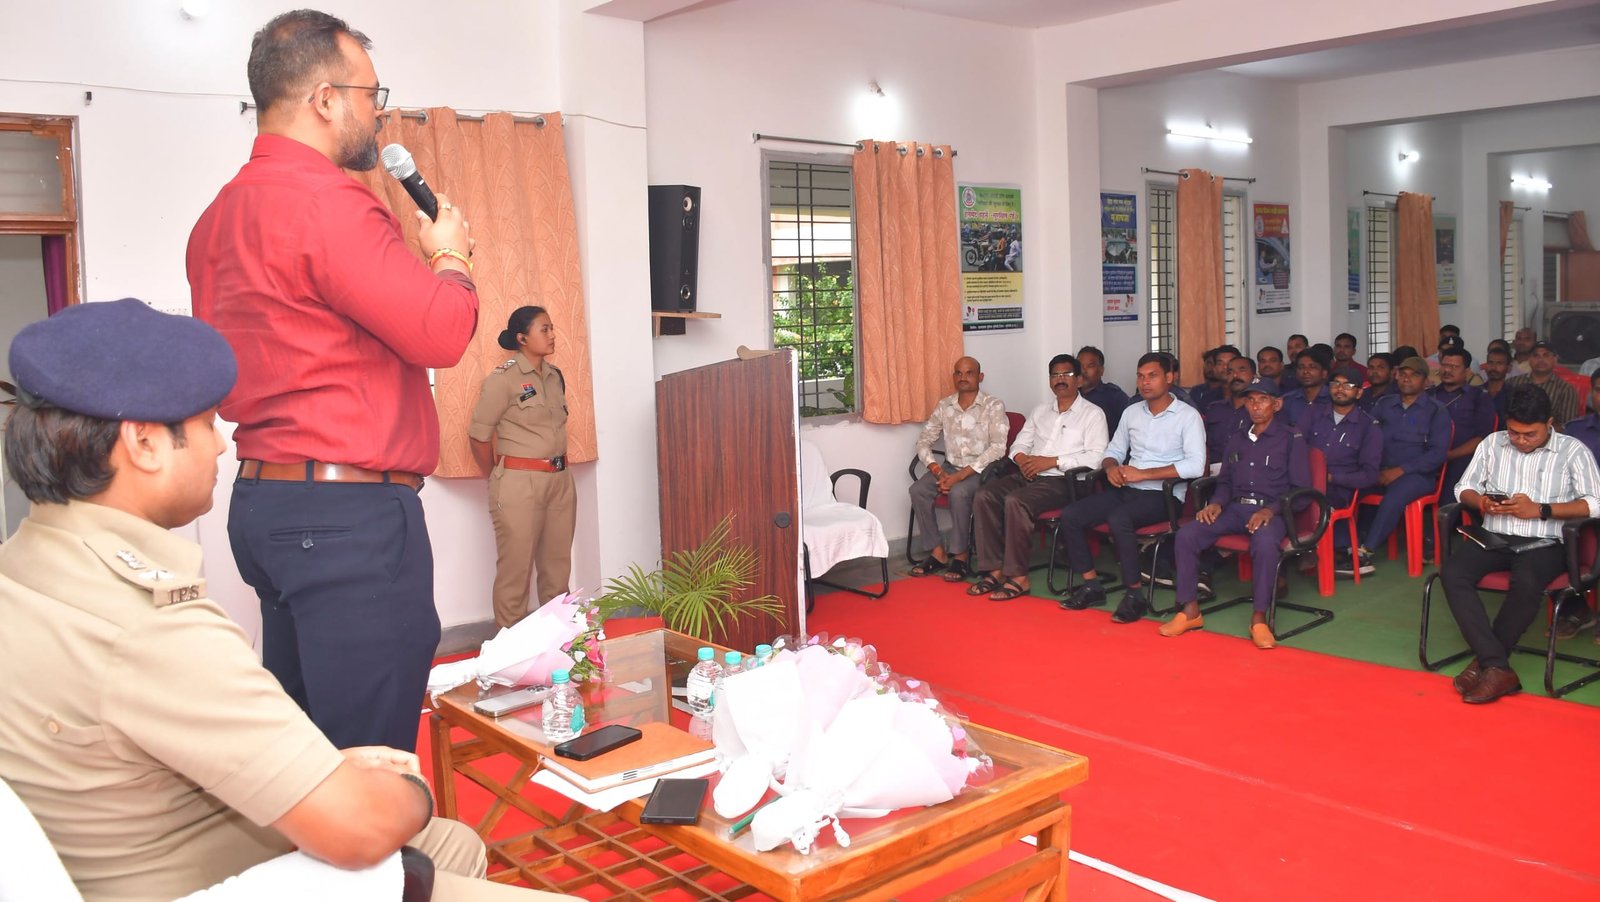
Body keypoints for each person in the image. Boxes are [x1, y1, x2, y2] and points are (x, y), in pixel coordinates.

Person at [0, 300, 568, 902]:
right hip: (213, 878)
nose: (222, 447)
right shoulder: (153, 626)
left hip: (133, 840)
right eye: (205, 425)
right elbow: (362, 829)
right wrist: (412, 787)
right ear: (143, 443)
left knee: (453, 843)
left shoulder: (24, 571)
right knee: (423, 826)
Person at [187, 10, 479, 752]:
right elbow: (442, 333)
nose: (378, 112)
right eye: (371, 94)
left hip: (265, 502)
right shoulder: (330, 203)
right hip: (347, 518)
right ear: (324, 99)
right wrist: (449, 256)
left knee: (305, 751)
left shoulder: (217, 218)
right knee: (370, 762)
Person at [1442, 385, 1600, 703]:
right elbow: (1464, 488)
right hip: (1495, 536)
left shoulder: (1573, 450)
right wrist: (1482, 502)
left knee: (1526, 581)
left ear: (1549, 423)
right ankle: (1497, 666)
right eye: (1514, 433)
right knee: (1453, 573)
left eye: (1530, 434)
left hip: (1545, 542)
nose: (1521, 440)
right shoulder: (1492, 443)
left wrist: (1541, 510)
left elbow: (1595, 504)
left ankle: (1487, 664)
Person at [1058, 353, 1207, 623]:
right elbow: (1113, 451)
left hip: (1164, 495)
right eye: (1140, 376)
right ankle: (1091, 585)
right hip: (1128, 488)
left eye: (1152, 376)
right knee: (1071, 515)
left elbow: (1196, 466)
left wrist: (1144, 474)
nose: (1145, 382)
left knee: (1120, 519)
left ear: (1169, 378)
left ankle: (1134, 594)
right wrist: (1111, 467)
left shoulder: (1188, 416)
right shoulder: (1132, 412)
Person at [1162, 379, 1310, 649]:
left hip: (1272, 512)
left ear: (1277, 404)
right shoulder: (1237, 438)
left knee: (1265, 544)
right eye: (1250, 400)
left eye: (1263, 400)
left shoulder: (1291, 438)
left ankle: (1259, 618)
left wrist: (1270, 510)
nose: (1255, 406)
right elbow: (1225, 482)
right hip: (1234, 509)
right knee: (1187, 535)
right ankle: (1190, 610)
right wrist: (1216, 503)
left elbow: (1301, 489)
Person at [469, 307, 576, 629]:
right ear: (522, 338)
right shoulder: (503, 380)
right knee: (515, 571)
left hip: (560, 481)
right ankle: (510, 648)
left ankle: (560, 642)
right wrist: (495, 476)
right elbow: (478, 435)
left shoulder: (555, 377)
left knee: (557, 569)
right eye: (544, 329)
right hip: (518, 482)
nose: (552, 335)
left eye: (552, 328)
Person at [971, 355, 1108, 601]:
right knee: (985, 495)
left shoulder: (1093, 414)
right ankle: (994, 570)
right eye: (1055, 375)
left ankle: (1018, 577)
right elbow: (1019, 444)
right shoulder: (1040, 410)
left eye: (1067, 374)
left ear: (1079, 380)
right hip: (1030, 473)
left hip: (1065, 482)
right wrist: (1023, 460)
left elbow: (1096, 458)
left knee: (1016, 501)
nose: (1060, 379)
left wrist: (1053, 461)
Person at [1337, 356, 1450, 576]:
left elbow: (1437, 454)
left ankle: (1364, 553)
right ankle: (1344, 545)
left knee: (1394, 497)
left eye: (1414, 375)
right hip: (1380, 470)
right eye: (1403, 374)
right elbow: (1367, 436)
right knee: (1347, 489)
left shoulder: (1436, 410)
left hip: (1417, 475)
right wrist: (1371, 468)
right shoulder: (1384, 404)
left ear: (1425, 380)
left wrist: (1399, 471)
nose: (1407, 379)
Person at [903, 356, 1008, 583]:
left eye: (969, 373)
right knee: (918, 490)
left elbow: (998, 448)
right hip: (949, 467)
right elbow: (923, 440)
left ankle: (960, 556)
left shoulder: (993, 405)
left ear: (980, 376)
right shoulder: (945, 406)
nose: (963, 377)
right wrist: (937, 470)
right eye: (958, 373)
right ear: (953, 377)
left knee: (959, 493)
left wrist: (959, 476)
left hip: (981, 470)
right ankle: (937, 553)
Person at [1305, 364, 1382, 514]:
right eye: (1335, 384)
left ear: (1359, 393)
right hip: (1305, 480)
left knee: (1307, 505)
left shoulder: (1369, 426)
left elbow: (1370, 475)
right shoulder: (1313, 413)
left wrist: (1332, 478)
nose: (1339, 389)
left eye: (1347, 386)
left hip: (1338, 490)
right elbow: (1295, 447)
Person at [1429, 345, 1496, 503]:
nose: (1448, 370)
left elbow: (1482, 439)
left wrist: (1448, 456)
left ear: (1467, 371)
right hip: (1428, 456)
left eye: (1454, 367)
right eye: (1445, 365)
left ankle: (1448, 515)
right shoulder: (1428, 395)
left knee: (1458, 476)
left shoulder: (1479, 398)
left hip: (1461, 456)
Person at [1505, 341, 1579, 429]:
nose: (1540, 360)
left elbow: (1567, 425)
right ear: (1529, 359)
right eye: (1536, 355)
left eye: (1546, 355)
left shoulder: (1566, 389)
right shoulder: (1513, 382)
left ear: (1555, 359)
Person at [1203, 355, 1256, 470]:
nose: (1235, 376)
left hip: (1249, 471)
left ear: (1254, 377)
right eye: (1230, 372)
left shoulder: (1260, 410)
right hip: (1214, 470)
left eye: (1242, 370)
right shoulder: (1214, 408)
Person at [1077, 345, 1130, 436]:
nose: (1083, 371)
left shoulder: (1114, 396)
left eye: (1090, 366)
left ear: (1101, 370)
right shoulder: (1071, 395)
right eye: (1080, 366)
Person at [1282, 347, 1333, 429]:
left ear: (1324, 373)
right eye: (1301, 367)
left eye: (1312, 367)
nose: (1305, 371)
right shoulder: (1287, 400)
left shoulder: (1333, 399)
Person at [1481, 345, 1513, 419]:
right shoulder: (1476, 392)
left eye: (1499, 363)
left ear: (1508, 368)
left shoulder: (1513, 395)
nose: (1493, 367)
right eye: (1490, 362)